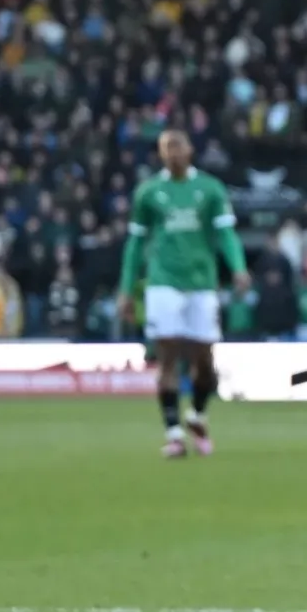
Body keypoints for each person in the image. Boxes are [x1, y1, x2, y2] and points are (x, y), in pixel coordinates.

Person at [117, 130, 249, 458]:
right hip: (163, 282)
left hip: (202, 283)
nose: (173, 154)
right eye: (166, 149)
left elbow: (226, 235)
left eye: (178, 147)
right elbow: (135, 244)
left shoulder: (210, 189)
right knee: (168, 356)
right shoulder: (149, 193)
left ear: (190, 150)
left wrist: (238, 267)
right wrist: (126, 289)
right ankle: (174, 434)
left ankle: (198, 416)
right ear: (161, 154)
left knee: (204, 361)